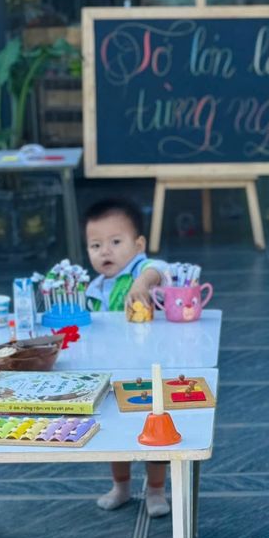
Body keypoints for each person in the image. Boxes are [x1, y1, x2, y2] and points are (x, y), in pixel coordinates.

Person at [82, 198, 171, 517]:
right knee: (116, 432)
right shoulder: (94, 288)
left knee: (154, 429)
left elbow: (161, 269)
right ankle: (121, 487)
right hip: (111, 370)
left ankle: (156, 490)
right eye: (95, 245)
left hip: (147, 369)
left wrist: (142, 283)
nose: (105, 251)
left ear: (139, 245)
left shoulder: (141, 271)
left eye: (116, 242)